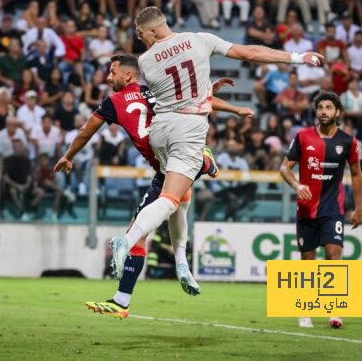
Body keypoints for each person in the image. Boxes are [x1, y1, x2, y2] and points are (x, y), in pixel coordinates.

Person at [108, 6, 323, 293]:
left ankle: (182, 263)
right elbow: (252, 53)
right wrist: (298, 58)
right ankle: (129, 237)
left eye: (141, 33)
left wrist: (207, 91)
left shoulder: (146, 61)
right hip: (189, 129)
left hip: (160, 131)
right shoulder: (200, 40)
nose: (139, 39)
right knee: (171, 198)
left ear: (155, 30)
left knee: (182, 196)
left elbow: (176, 88)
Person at [56, 54, 252, 317]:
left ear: (128, 75)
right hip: (170, 162)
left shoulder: (113, 102)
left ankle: (123, 293)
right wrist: (236, 109)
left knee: (148, 221)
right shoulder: (157, 91)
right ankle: (178, 267)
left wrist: (69, 156)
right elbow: (197, 102)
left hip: (172, 162)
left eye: (112, 72)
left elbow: (85, 132)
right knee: (177, 206)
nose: (108, 77)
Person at [280, 91, 362, 330]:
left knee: (333, 256)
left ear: (337, 112)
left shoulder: (348, 141)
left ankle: (335, 310)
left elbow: (356, 174)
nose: (324, 112)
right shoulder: (303, 136)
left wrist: (358, 208)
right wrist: (297, 184)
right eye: (320, 108)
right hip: (306, 210)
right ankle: (306, 310)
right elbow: (284, 168)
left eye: (328, 107)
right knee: (308, 262)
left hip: (333, 209)